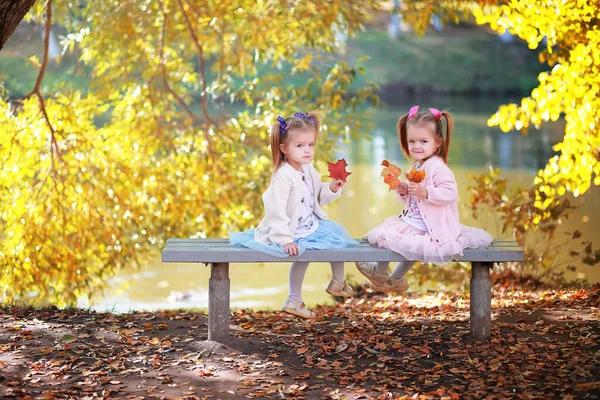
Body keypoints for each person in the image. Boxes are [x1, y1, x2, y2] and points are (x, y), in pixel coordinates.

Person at [230, 111, 358, 318]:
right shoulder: (283, 177)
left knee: (337, 237)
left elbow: (318, 198)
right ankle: (294, 299)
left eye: (311, 145)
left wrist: (332, 188)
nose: (307, 150)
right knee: (303, 256)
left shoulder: (308, 169)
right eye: (300, 146)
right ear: (284, 148)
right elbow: (275, 211)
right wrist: (284, 239)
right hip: (291, 231)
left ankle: (337, 282)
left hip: (309, 226)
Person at [356, 106, 493, 292]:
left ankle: (381, 273)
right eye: (411, 141)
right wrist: (404, 191)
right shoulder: (417, 166)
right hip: (415, 221)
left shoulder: (437, 167)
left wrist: (426, 192)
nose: (416, 146)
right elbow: (412, 202)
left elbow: (451, 193)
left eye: (423, 141)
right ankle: (395, 278)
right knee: (401, 240)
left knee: (390, 236)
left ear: (437, 142)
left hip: (429, 226)